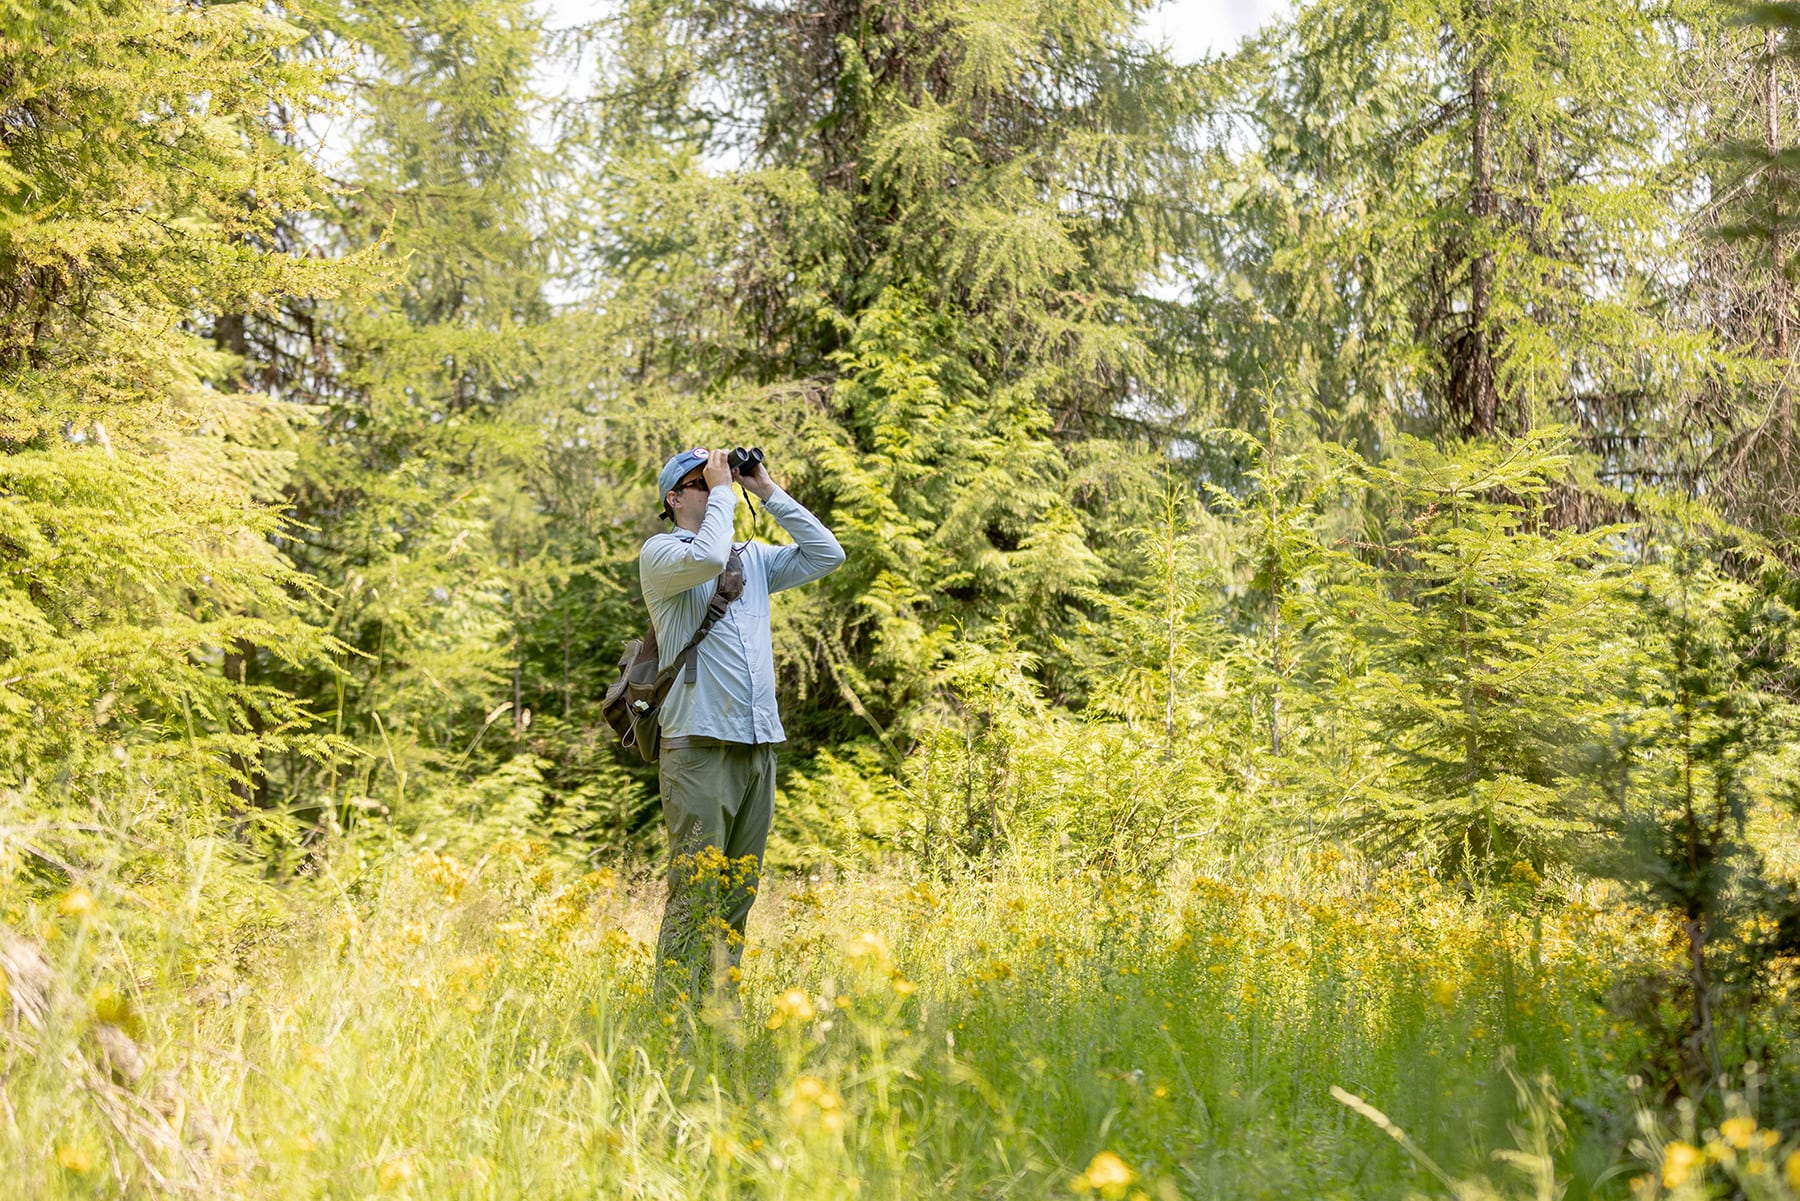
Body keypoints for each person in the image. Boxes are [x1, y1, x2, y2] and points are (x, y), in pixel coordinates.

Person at [640, 446, 844, 1014]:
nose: (715, 484)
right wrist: (726, 494)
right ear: (674, 498)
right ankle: (671, 1019)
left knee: (737, 897)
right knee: (695, 894)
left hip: (758, 746)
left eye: (720, 476)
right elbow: (707, 560)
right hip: (698, 748)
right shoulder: (663, 553)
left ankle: (719, 1018)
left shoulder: (750, 559)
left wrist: (766, 488)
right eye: (700, 481)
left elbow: (828, 553)